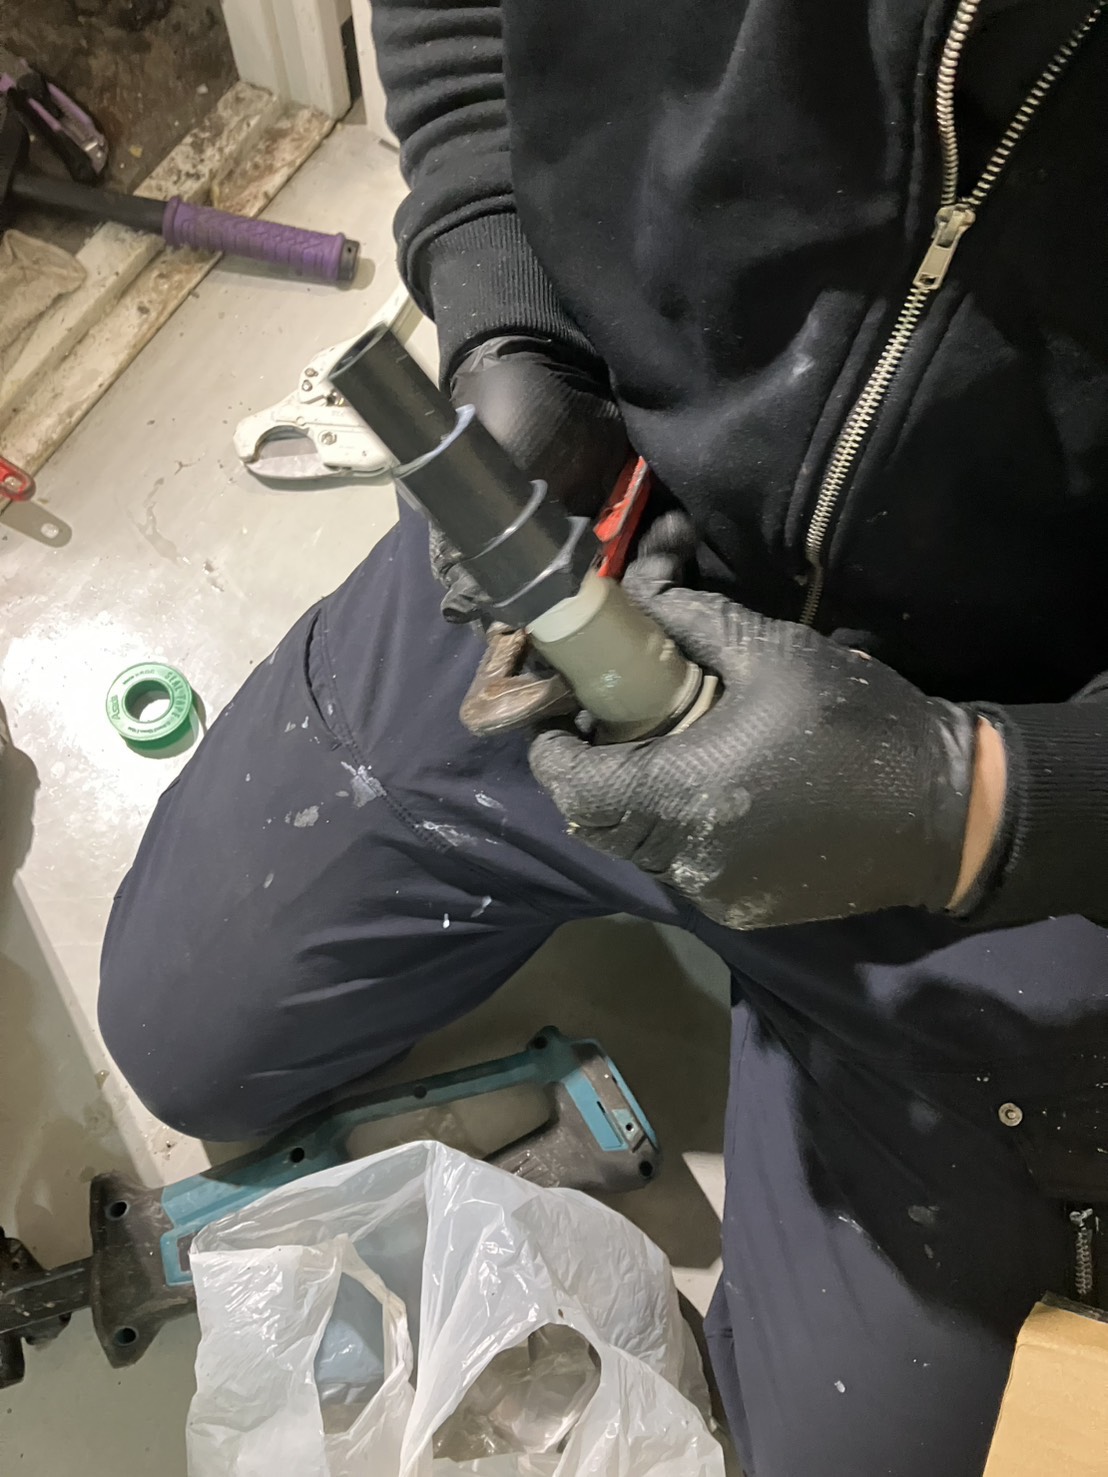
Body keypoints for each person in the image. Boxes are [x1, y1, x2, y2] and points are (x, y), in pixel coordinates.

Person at [99, 2, 1108, 1472]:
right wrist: (510, 320)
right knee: (177, 1036)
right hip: (602, 547)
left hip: (1006, 795)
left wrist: (994, 804)